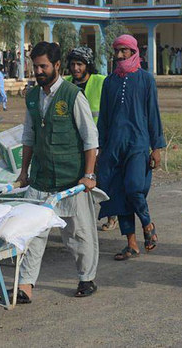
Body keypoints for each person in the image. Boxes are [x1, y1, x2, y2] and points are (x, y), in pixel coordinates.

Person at [14, 41, 101, 302]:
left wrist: (89, 175)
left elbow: (90, 138)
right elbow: (28, 137)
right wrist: (23, 173)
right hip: (41, 179)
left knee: (78, 235)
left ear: (57, 66)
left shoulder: (73, 95)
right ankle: (25, 286)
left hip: (70, 179)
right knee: (33, 235)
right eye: (35, 66)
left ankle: (86, 278)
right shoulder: (32, 97)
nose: (38, 71)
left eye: (43, 66)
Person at [96, 34, 166, 261]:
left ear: (134, 51)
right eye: (117, 51)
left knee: (134, 187)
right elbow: (104, 118)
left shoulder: (146, 79)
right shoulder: (109, 82)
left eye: (124, 51)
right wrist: (98, 149)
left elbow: (153, 114)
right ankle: (131, 244)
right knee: (119, 193)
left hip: (138, 143)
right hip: (113, 147)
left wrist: (156, 147)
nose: (119, 55)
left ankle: (147, 223)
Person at [63, 46, 118, 231]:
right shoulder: (66, 84)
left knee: (102, 181)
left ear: (88, 65)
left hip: (98, 142)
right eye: (73, 64)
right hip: (75, 144)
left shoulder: (101, 82)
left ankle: (111, 215)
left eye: (80, 64)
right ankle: (81, 221)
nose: (76, 68)